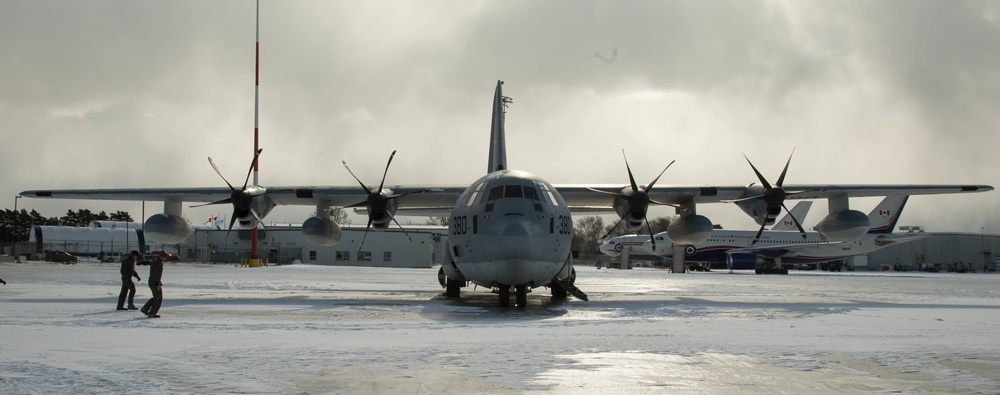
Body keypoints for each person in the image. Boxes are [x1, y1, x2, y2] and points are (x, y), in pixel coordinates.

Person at [141, 252, 165, 318]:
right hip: (154, 282)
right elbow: (154, 275)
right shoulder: (157, 263)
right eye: (165, 257)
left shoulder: (157, 262)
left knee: (156, 297)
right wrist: (157, 284)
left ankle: (145, 308)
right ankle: (152, 313)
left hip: (154, 281)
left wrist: (159, 282)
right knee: (158, 298)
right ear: (162, 257)